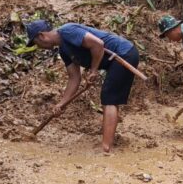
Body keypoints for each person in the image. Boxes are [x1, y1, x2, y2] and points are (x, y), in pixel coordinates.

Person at [25, 20, 139, 153]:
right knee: (109, 97)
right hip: (115, 60)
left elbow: (98, 44)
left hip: (124, 54)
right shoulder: (63, 50)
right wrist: (61, 104)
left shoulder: (68, 31)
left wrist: (94, 70)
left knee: (109, 98)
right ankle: (108, 142)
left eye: (36, 42)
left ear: (42, 36)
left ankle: (106, 148)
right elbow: (74, 78)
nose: (38, 47)